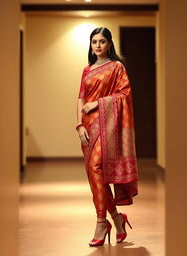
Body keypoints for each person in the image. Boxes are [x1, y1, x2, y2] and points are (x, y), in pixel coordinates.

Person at [76, 27, 139, 246]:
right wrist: (79, 125)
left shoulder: (117, 67)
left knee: (96, 168)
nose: (98, 45)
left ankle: (101, 221)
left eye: (102, 41)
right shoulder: (87, 70)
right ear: (91, 45)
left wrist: (98, 103)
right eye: (94, 42)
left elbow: (124, 94)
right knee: (94, 174)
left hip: (108, 125)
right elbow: (80, 99)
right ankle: (116, 218)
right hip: (88, 127)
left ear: (110, 44)